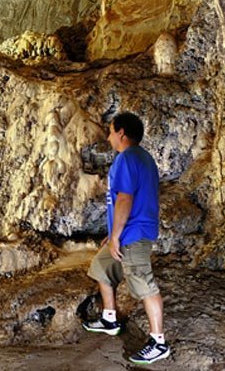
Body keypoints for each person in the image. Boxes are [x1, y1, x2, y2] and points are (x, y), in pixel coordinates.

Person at [82, 112, 170, 364]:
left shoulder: (126, 158)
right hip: (127, 232)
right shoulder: (143, 158)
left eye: (110, 131)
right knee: (101, 267)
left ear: (121, 132)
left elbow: (125, 199)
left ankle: (158, 342)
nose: (108, 137)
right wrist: (111, 235)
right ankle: (109, 319)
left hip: (133, 234)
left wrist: (117, 236)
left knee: (144, 284)